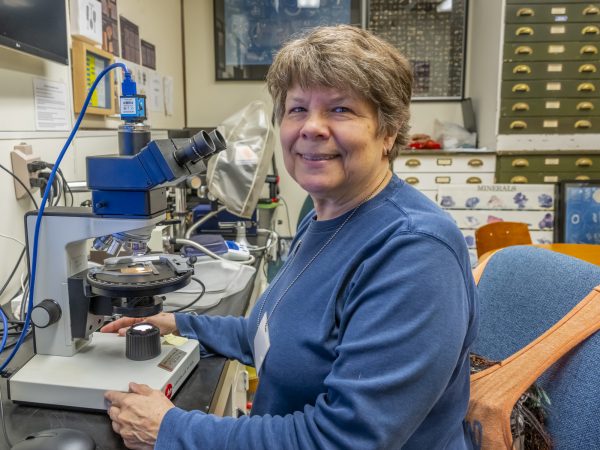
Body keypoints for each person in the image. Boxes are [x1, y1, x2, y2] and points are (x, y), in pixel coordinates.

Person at [103, 25, 478, 449]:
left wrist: (171, 430)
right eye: (297, 109)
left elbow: (344, 440)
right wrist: (178, 323)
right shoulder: (324, 215)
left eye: (340, 110)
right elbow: (273, 333)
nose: (312, 128)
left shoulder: (414, 250)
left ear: (388, 132)